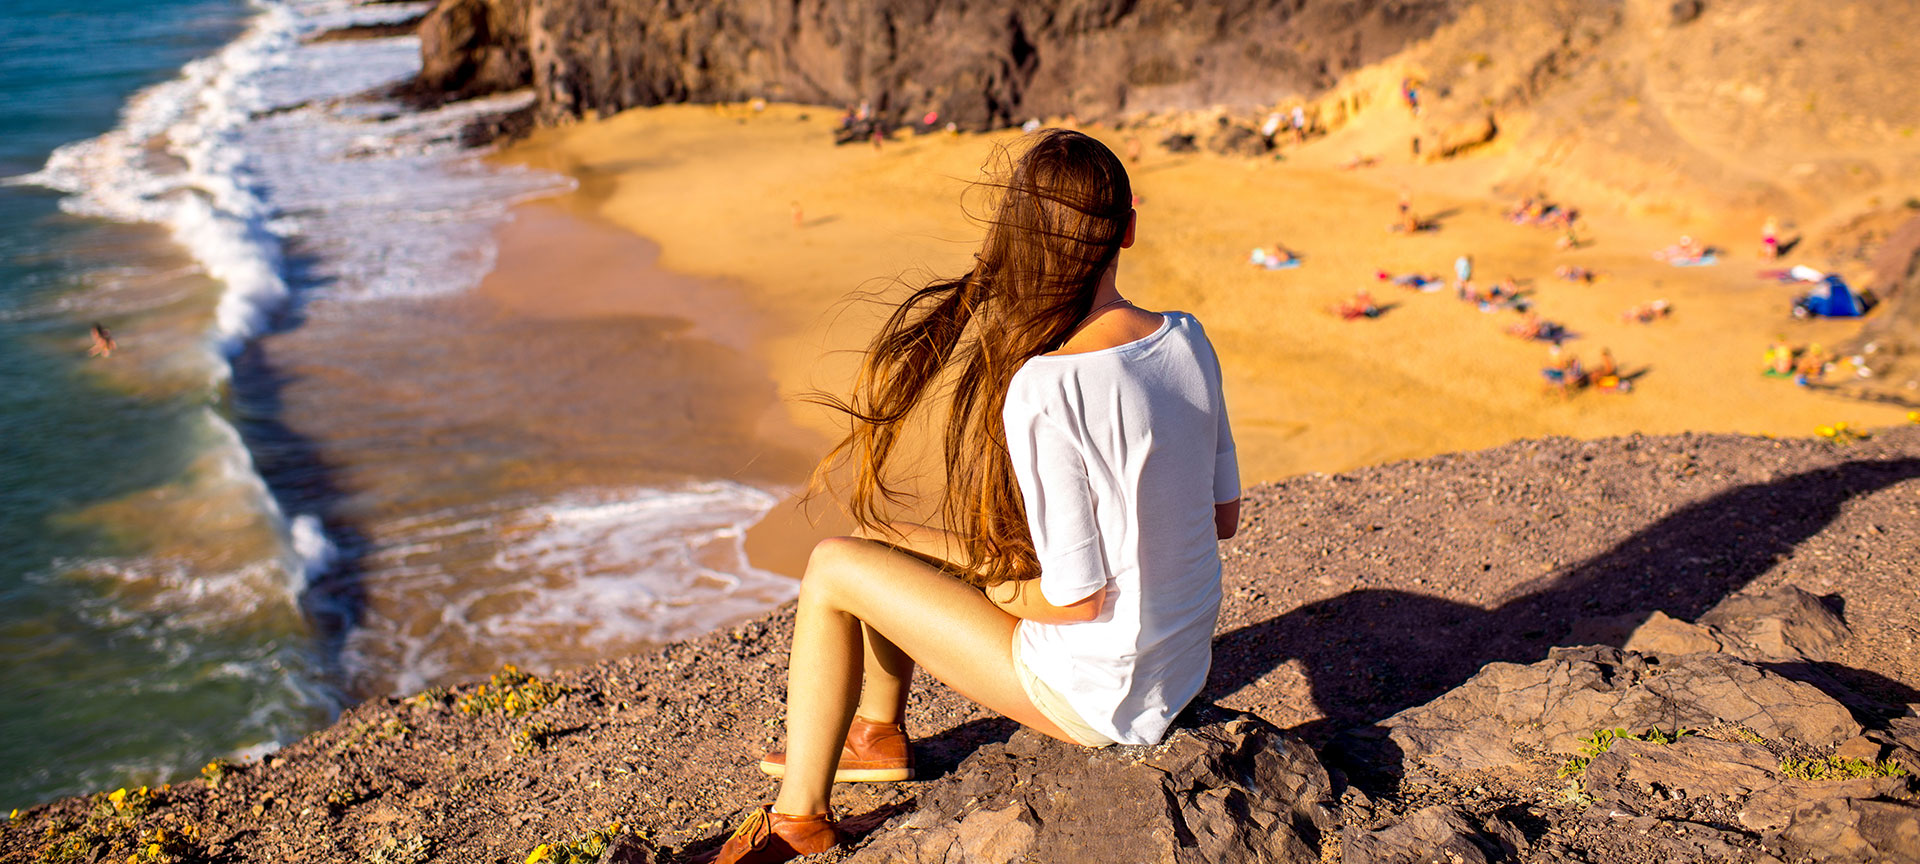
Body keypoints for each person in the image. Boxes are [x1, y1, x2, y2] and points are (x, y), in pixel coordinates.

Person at [708, 130, 1240, 864]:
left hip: (1100, 693)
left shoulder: (1046, 388)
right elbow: (1223, 518)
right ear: (1129, 229)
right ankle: (875, 735)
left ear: (1017, 242)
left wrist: (977, 567)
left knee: (835, 566)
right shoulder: (1188, 339)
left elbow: (1073, 603)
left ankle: (798, 818)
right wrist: (947, 553)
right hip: (1179, 666)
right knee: (900, 550)